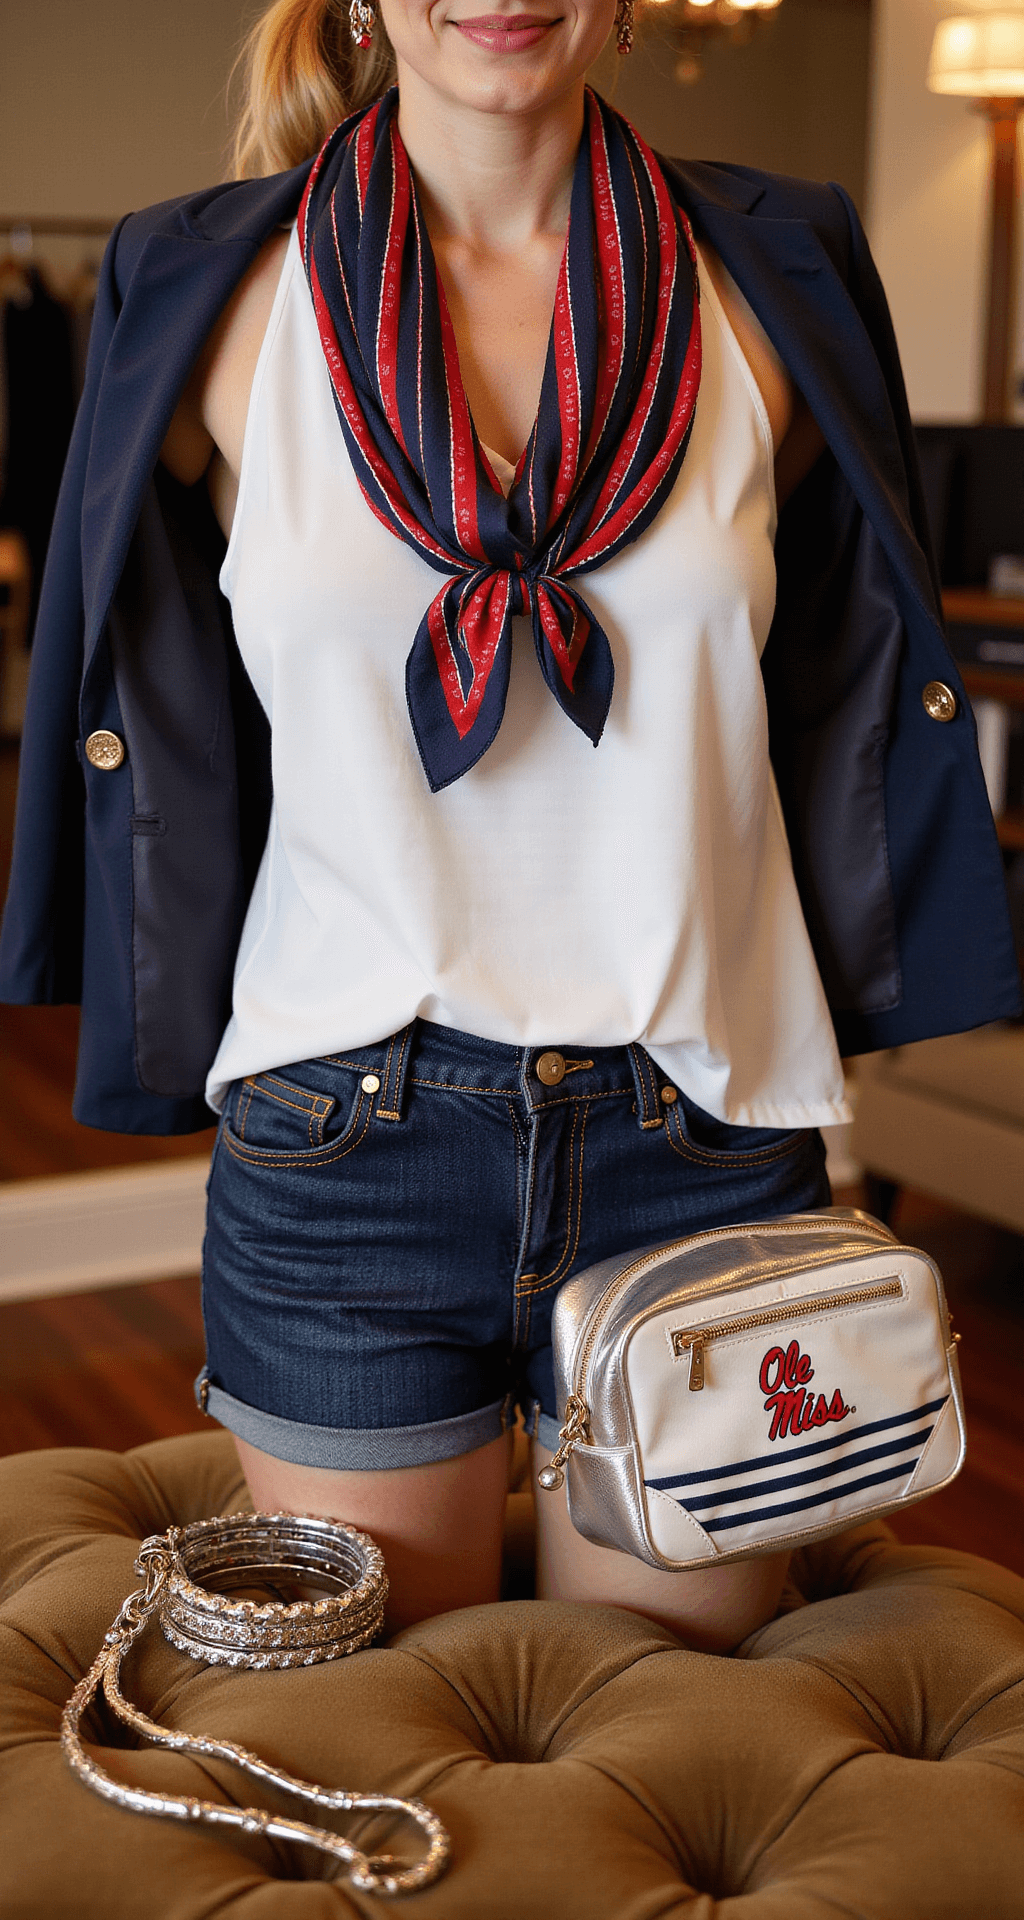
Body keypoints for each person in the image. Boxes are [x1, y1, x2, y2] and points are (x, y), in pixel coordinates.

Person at [1, 0, 1019, 1644]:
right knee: (397, 1740)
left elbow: (840, 681)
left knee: (655, 1747)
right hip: (349, 1143)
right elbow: (148, 700)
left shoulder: (786, 276)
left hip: (700, 1131)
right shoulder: (199, 297)